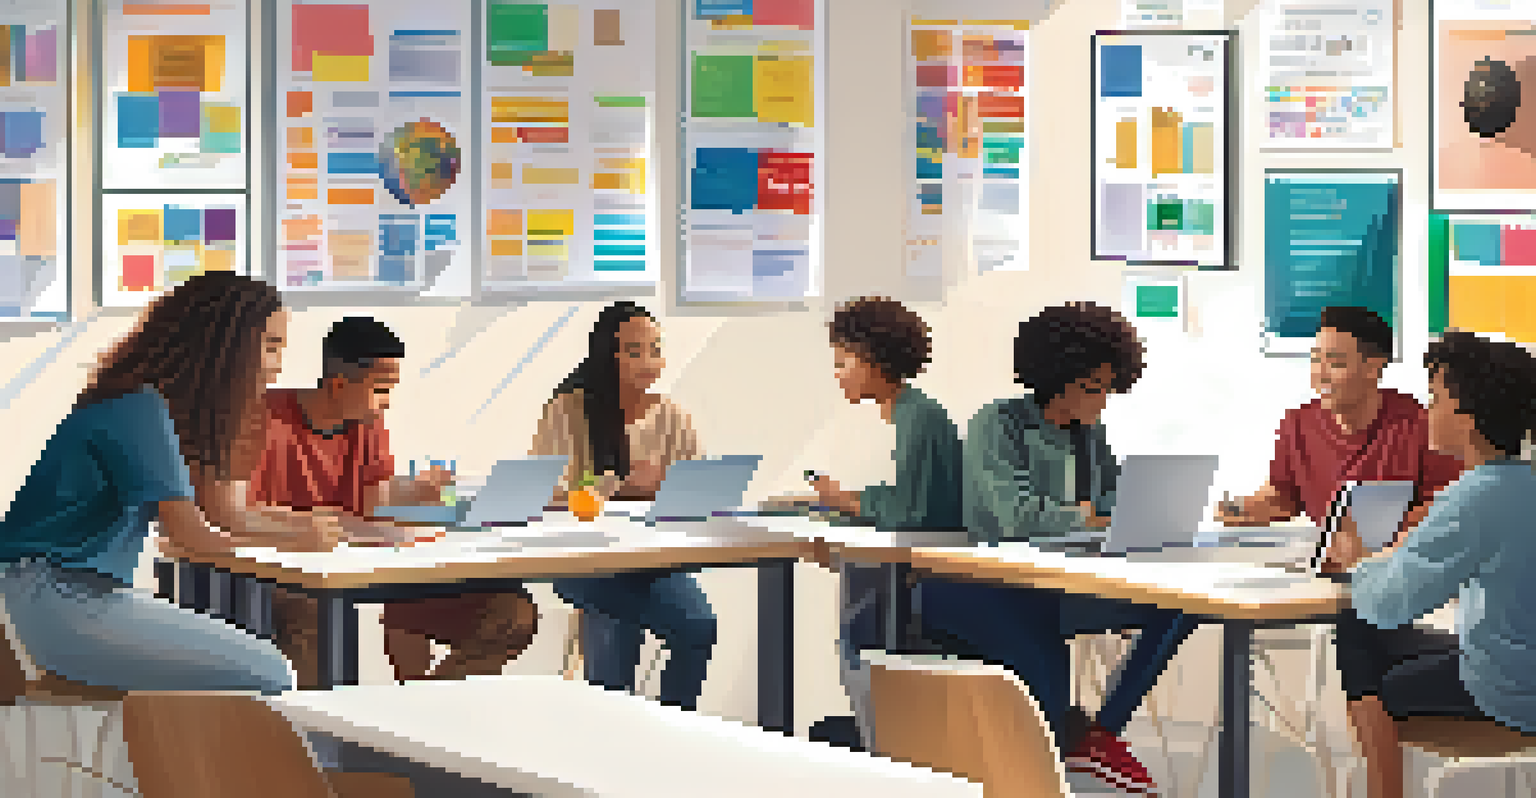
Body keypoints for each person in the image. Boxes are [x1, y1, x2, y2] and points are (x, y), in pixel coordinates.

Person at [0, 272, 326, 694]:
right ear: (223, 345)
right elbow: (190, 534)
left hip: (60, 594)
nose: (277, 365)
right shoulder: (140, 409)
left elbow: (214, 512)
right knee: (268, 671)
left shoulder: (140, 403)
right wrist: (290, 541)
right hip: (54, 599)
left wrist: (290, 531)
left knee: (252, 662)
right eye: (270, 346)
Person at [920, 302, 1199, 795]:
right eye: (1092, 389)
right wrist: (1090, 515)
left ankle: (1097, 735)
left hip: (1060, 585)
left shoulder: (1090, 435)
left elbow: (1113, 501)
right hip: (986, 587)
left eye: (1108, 389)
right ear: (1055, 378)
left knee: (1178, 606)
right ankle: (1051, 760)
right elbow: (1015, 519)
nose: (1102, 401)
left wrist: (1139, 516)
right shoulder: (997, 424)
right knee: (1041, 651)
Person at [1215, 306, 1467, 798]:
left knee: (1361, 635)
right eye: (1315, 359)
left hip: (1402, 578)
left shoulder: (1417, 423)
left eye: (1334, 361)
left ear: (1374, 366)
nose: (1319, 373)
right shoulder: (1298, 423)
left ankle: (1384, 785)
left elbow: (1447, 500)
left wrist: (1389, 538)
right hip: (1333, 573)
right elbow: (1283, 495)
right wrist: (1242, 507)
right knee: (1356, 634)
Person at [249, 316, 540, 686]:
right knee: (315, 611)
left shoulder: (367, 424)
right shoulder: (265, 420)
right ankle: (325, 731)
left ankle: (419, 715)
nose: (386, 403)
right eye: (381, 389)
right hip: (298, 577)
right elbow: (243, 512)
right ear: (338, 385)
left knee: (511, 614)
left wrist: (417, 492)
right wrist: (326, 521)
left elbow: (375, 501)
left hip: (374, 568)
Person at [1328, 331, 1536, 798]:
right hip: (1525, 665)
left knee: (1360, 633)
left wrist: (1360, 561)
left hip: (1510, 690)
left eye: (1436, 398)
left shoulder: (1476, 495)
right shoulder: (1522, 482)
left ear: (1468, 416)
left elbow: (1390, 603)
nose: (1426, 411)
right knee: (1368, 637)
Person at [531, 301, 717, 710]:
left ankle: (672, 729)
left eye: (655, 348)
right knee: (617, 630)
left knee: (699, 625)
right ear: (607, 354)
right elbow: (539, 495)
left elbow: (700, 492)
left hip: (652, 561)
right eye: (634, 350)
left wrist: (664, 486)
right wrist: (613, 487)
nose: (648, 361)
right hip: (582, 560)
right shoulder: (567, 411)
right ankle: (613, 745)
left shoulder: (673, 417)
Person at [803, 297, 963, 752]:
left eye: (843, 362)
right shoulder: (906, 413)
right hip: (904, 563)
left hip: (916, 573)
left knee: (859, 649)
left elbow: (913, 509)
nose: (838, 374)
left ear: (875, 359)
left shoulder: (919, 416)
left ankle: (881, 748)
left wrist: (847, 501)